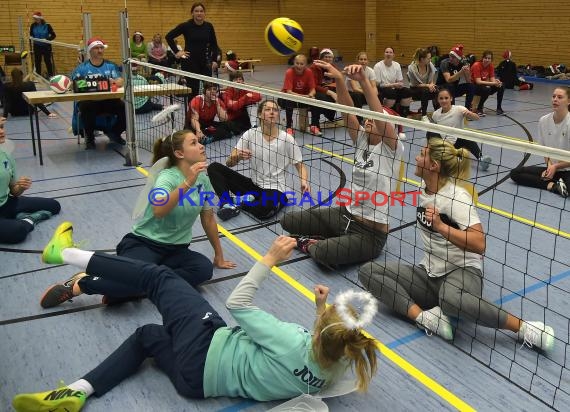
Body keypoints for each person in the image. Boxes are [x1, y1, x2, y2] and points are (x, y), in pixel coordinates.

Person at [13, 231, 378, 412]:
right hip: (197, 384)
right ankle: (79, 391)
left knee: (160, 279)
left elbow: (238, 302)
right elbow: (327, 344)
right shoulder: (339, 368)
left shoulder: (289, 340)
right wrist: (320, 309)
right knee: (146, 336)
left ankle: (66, 253)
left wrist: (268, 258)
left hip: (206, 346)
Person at [358, 137, 555, 351]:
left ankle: (525, 328)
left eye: (422, 154)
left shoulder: (456, 197)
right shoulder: (425, 189)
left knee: (451, 301)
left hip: (462, 272)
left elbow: (480, 244)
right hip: (430, 273)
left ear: (433, 165)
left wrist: (442, 227)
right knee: (369, 272)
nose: (416, 157)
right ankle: (426, 318)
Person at [39, 129, 236, 308]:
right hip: (144, 244)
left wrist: (218, 255)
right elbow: (159, 210)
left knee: (202, 270)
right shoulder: (167, 178)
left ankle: (132, 284)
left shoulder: (203, 178)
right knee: (135, 282)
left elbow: (208, 218)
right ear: (179, 153)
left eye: (198, 141)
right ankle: (80, 283)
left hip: (176, 250)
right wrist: (187, 183)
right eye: (193, 142)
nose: (201, 145)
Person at [280, 62, 404, 268]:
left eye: (378, 117)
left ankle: (314, 243)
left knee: (323, 253)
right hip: (345, 215)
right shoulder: (361, 139)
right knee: (289, 221)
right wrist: (339, 79)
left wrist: (364, 81)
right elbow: (347, 110)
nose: (370, 119)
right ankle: (331, 236)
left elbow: (377, 113)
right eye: (369, 117)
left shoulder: (391, 148)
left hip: (370, 234)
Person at [207, 99, 309, 221]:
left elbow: (300, 165)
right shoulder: (250, 134)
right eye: (267, 109)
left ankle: (241, 202)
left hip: (276, 189)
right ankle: (226, 203)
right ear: (260, 114)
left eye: (275, 110)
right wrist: (238, 156)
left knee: (263, 212)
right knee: (214, 167)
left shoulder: (287, 139)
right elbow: (229, 163)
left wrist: (304, 181)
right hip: (253, 186)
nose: (272, 112)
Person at [0, 117, 60, 244]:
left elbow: (14, 191)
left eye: (1, 127)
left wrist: (21, 187)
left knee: (54, 205)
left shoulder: (5, 156)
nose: (1, 132)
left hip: (6, 204)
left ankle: (15, 217)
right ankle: (30, 219)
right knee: (18, 231)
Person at [510, 87, 570, 198]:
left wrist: (556, 166)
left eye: (560, 97)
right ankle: (552, 186)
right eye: (553, 96)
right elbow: (544, 150)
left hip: (567, 170)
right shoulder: (543, 121)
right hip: (552, 168)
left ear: (568, 101)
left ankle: (559, 184)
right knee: (515, 173)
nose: (555, 99)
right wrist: (549, 166)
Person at [70, 37, 127, 150]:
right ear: (90, 50)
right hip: (90, 101)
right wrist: (89, 84)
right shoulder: (82, 68)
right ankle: (90, 138)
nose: (100, 50)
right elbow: (73, 85)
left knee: (124, 107)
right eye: (97, 48)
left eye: (101, 48)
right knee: (86, 107)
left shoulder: (110, 65)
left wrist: (114, 81)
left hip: (108, 100)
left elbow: (121, 81)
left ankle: (115, 133)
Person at [166, 2, 221, 98]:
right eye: (196, 11)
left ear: (204, 13)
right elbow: (169, 37)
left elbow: (214, 44)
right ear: (192, 13)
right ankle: (193, 112)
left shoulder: (209, 26)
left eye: (201, 11)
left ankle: (207, 112)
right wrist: (178, 52)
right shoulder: (186, 26)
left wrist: (214, 60)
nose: (199, 13)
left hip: (205, 63)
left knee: (209, 90)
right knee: (193, 92)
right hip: (190, 63)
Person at [431, 88, 492, 171]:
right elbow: (432, 130)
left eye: (446, 98)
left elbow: (477, 118)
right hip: (445, 144)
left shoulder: (459, 109)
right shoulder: (435, 114)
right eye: (441, 98)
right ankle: (454, 157)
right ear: (438, 100)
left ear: (451, 99)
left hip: (458, 140)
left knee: (467, 136)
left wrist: (470, 114)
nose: (444, 100)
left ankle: (481, 158)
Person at [278, 54, 321, 137]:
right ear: (294, 63)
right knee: (289, 101)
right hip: (287, 98)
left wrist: (310, 95)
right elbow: (289, 92)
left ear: (305, 65)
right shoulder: (289, 72)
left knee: (316, 101)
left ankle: (314, 126)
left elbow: (313, 89)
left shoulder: (309, 72)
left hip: (302, 98)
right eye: (297, 63)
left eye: (301, 64)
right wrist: (303, 97)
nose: (299, 66)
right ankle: (289, 127)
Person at [373, 47, 412, 118]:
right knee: (391, 92)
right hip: (383, 88)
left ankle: (403, 114)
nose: (388, 54)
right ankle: (388, 113)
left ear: (393, 55)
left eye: (390, 52)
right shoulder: (378, 66)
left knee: (407, 91)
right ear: (384, 54)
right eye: (386, 52)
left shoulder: (396, 65)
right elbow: (377, 84)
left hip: (394, 87)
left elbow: (399, 80)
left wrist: (399, 84)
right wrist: (393, 85)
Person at [221, 70, 262, 135]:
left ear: (243, 81)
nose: (238, 81)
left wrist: (237, 102)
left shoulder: (245, 88)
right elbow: (233, 107)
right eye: (235, 79)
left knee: (252, 103)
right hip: (233, 118)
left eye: (240, 79)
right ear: (231, 82)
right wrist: (245, 98)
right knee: (233, 128)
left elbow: (259, 96)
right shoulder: (227, 93)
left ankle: (254, 127)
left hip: (244, 115)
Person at [436, 45, 474, 111]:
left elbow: (468, 80)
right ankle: (452, 110)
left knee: (470, 86)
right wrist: (461, 72)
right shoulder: (444, 63)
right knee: (450, 86)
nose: (450, 58)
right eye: (450, 56)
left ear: (458, 59)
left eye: (453, 57)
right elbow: (448, 80)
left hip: (454, 87)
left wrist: (467, 69)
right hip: (441, 88)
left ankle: (467, 110)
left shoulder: (462, 63)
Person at [309, 49, 338, 128]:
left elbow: (338, 81)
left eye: (330, 57)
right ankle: (315, 124)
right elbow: (314, 85)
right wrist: (330, 92)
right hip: (318, 91)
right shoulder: (314, 67)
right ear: (320, 58)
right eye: (326, 57)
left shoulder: (333, 67)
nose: (328, 59)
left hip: (331, 90)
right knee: (320, 98)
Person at [470, 51, 505, 116]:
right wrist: (492, 83)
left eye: (489, 58)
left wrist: (496, 82)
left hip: (483, 86)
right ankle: (479, 109)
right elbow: (478, 81)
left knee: (501, 86)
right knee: (487, 89)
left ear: (491, 60)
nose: (487, 60)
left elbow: (492, 79)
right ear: (482, 58)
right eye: (485, 58)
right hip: (473, 86)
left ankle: (499, 108)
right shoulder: (476, 65)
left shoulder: (490, 66)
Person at [407, 48, 438, 119]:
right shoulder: (411, 68)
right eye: (428, 58)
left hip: (427, 87)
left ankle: (438, 112)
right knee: (425, 91)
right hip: (415, 89)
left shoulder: (430, 65)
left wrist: (432, 85)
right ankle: (424, 115)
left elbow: (431, 79)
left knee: (439, 90)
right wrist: (428, 85)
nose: (430, 60)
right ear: (422, 59)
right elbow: (414, 84)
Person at [29, 11, 56, 78]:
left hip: (46, 46)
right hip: (37, 46)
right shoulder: (32, 25)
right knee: (37, 61)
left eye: (36, 19)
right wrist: (31, 37)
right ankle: (38, 76)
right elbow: (31, 34)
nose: (35, 20)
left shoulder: (47, 25)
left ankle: (51, 76)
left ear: (40, 18)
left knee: (47, 61)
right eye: (34, 19)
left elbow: (53, 35)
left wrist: (47, 39)